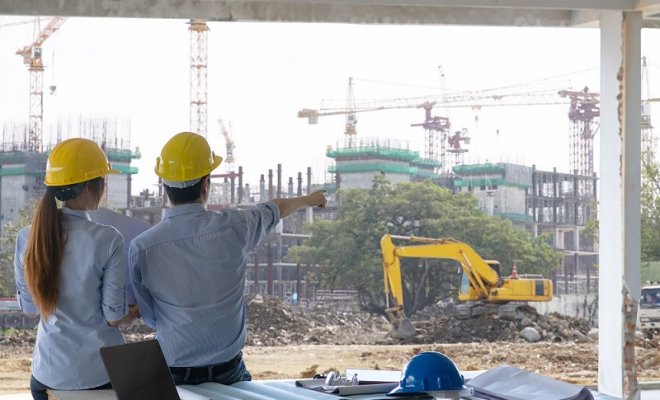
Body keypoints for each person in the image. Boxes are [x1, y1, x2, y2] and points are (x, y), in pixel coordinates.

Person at [129, 131, 327, 386]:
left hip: (173, 374)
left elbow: (150, 316)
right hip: (229, 374)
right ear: (205, 184)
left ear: (164, 186)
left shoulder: (142, 247)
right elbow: (276, 208)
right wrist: (310, 200)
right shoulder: (236, 226)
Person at [14, 138, 136, 400]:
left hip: (47, 377)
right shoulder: (107, 238)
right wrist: (134, 312)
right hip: (99, 377)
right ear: (92, 187)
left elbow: (30, 309)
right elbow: (114, 316)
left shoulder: (28, 237)